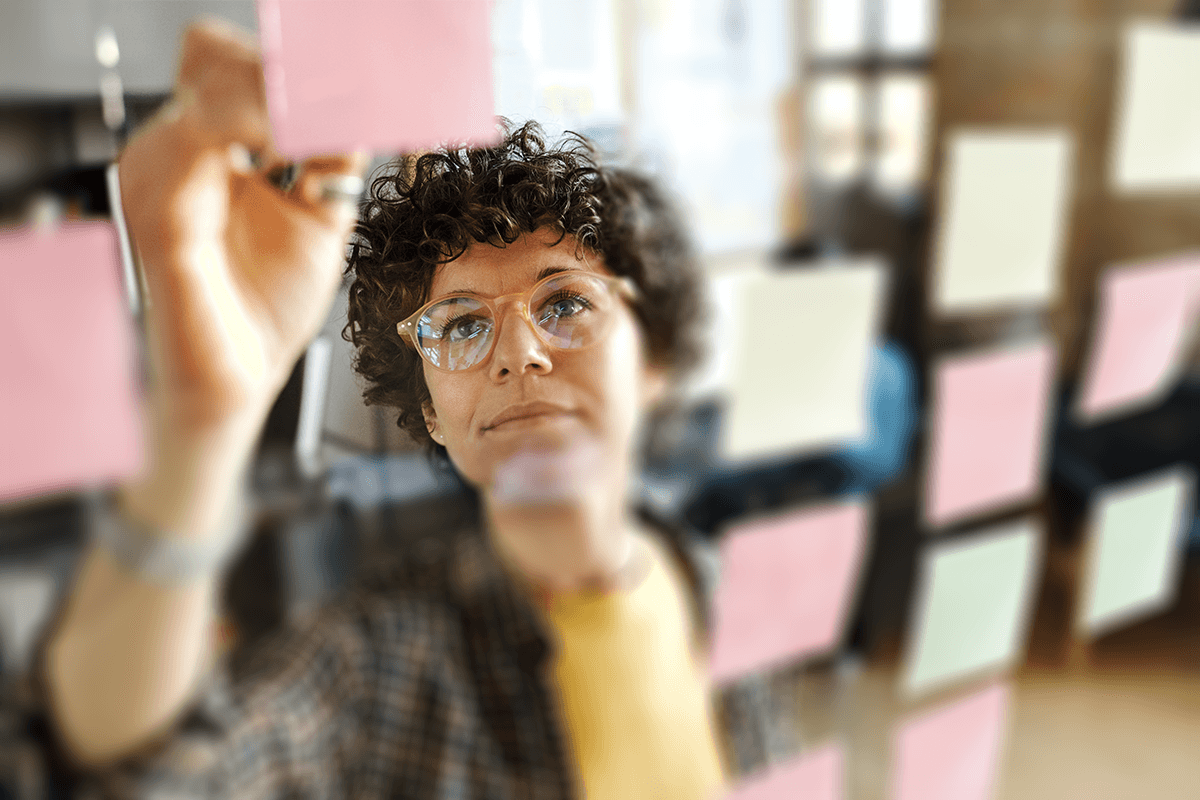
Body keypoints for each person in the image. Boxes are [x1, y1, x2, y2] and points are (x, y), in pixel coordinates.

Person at [35, 18, 784, 800]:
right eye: (462, 324)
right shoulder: (378, 663)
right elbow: (138, 782)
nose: (516, 353)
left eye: (564, 302)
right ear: (429, 407)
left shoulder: (723, 589)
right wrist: (199, 421)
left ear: (654, 355)